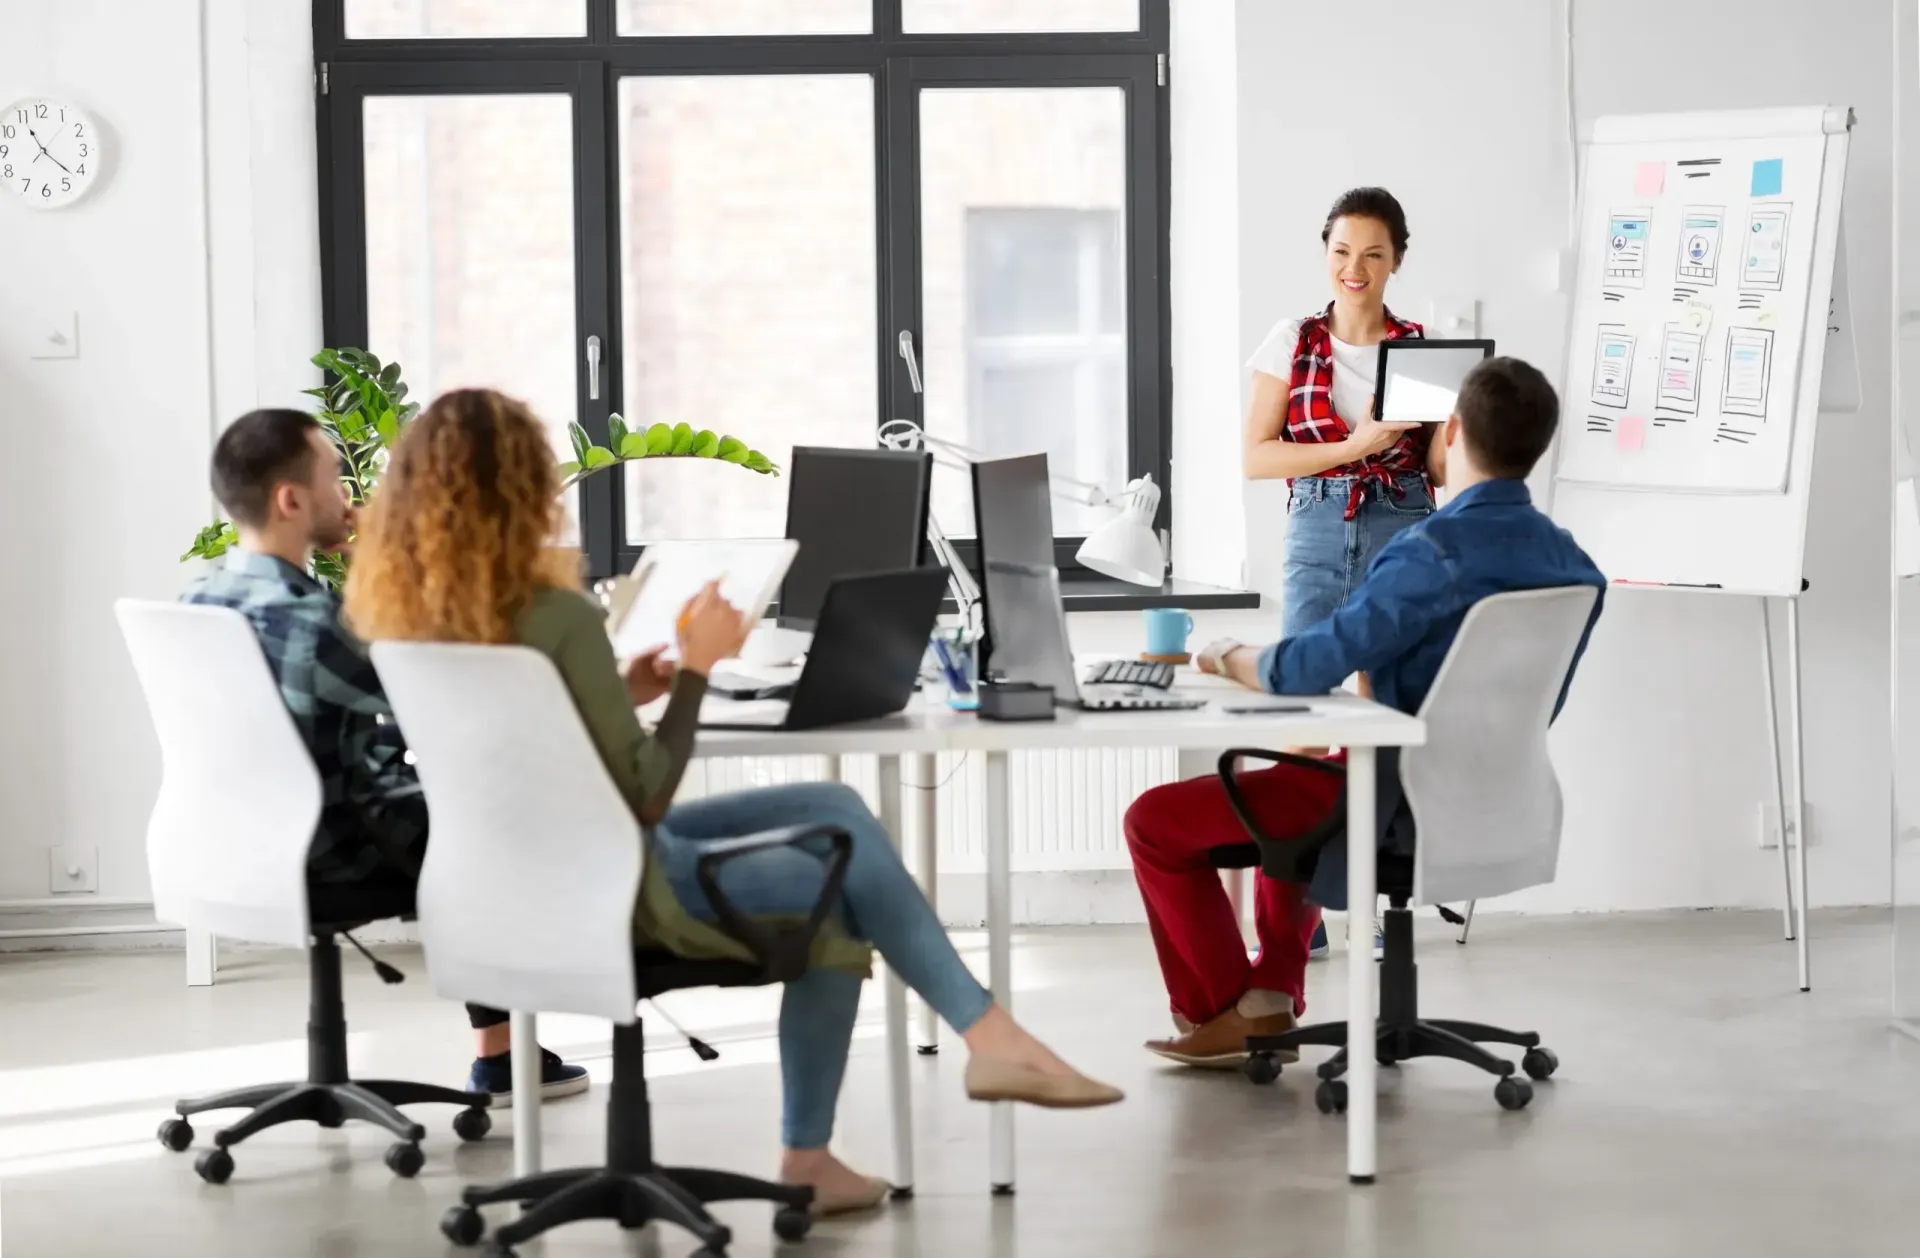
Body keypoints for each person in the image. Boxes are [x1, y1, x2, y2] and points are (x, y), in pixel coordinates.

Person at [343, 388, 1122, 1217]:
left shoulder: (403, 617)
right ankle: (844, 1133)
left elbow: (530, 737)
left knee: (833, 805)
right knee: (836, 884)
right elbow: (644, 795)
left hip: (503, 887)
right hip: (615, 881)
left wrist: (620, 684)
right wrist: (694, 671)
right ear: (519, 490)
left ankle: (987, 1040)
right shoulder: (556, 615)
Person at [1125, 357, 1606, 1068]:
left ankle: (1226, 1014)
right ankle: (1269, 997)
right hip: (1498, 802)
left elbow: (1304, 667)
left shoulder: (1431, 551)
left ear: (1454, 430)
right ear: (1536, 449)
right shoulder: (1575, 567)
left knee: (1155, 821)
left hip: (1386, 801)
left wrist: (1226, 655)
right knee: (1303, 783)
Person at [183, 408, 591, 1106]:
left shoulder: (201, 600)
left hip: (230, 843)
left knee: (453, 814)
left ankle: (499, 1049)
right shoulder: (313, 623)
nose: (347, 496)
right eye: (335, 481)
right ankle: (500, 1056)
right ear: (291, 501)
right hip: (330, 847)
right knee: (487, 830)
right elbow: (440, 697)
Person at [1243, 187, 1439, 959]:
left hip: (1405, 526)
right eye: (1341, 251)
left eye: (1373, 254)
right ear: (1326, 252)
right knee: (1301, 717)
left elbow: (1435, 469)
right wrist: (1354, 447)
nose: (1354, 268)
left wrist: (1459, 429)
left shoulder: (1422, 349)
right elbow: (1256, 456)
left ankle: (1380, 914)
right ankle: (1297, 916)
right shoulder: (1290, 340)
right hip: (1319, 527)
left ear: (1397, 260)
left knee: (1382, 719)